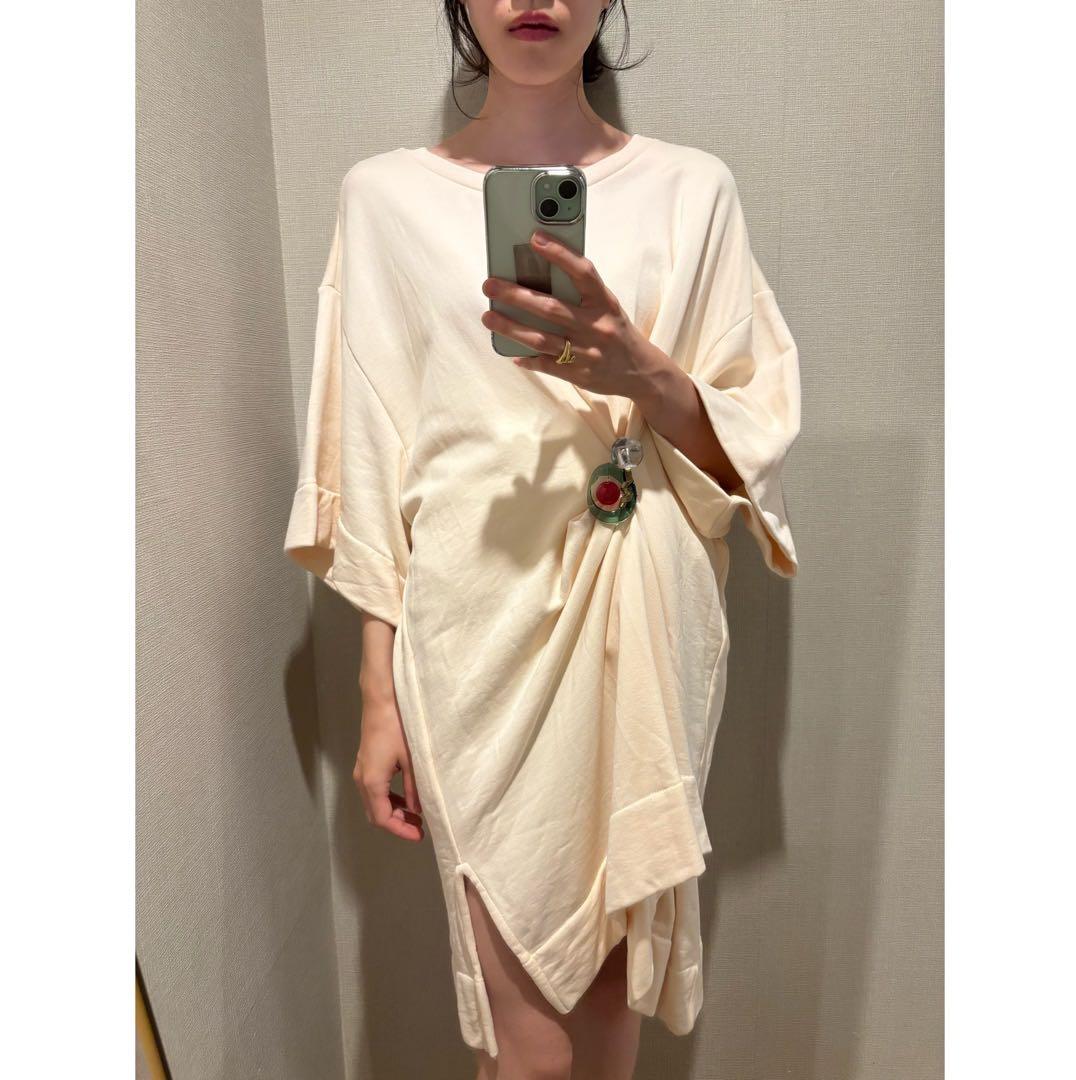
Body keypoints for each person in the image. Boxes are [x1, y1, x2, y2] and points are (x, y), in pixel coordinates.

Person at [284, 2, 801, 1077]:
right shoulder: (383, 199)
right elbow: (372, 453)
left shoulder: (692, 191)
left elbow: (744, 447)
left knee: (605, 1030)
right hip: (471, 636)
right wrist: (378, 693)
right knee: (532, 1049)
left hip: (639, 625)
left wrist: (639, 372)